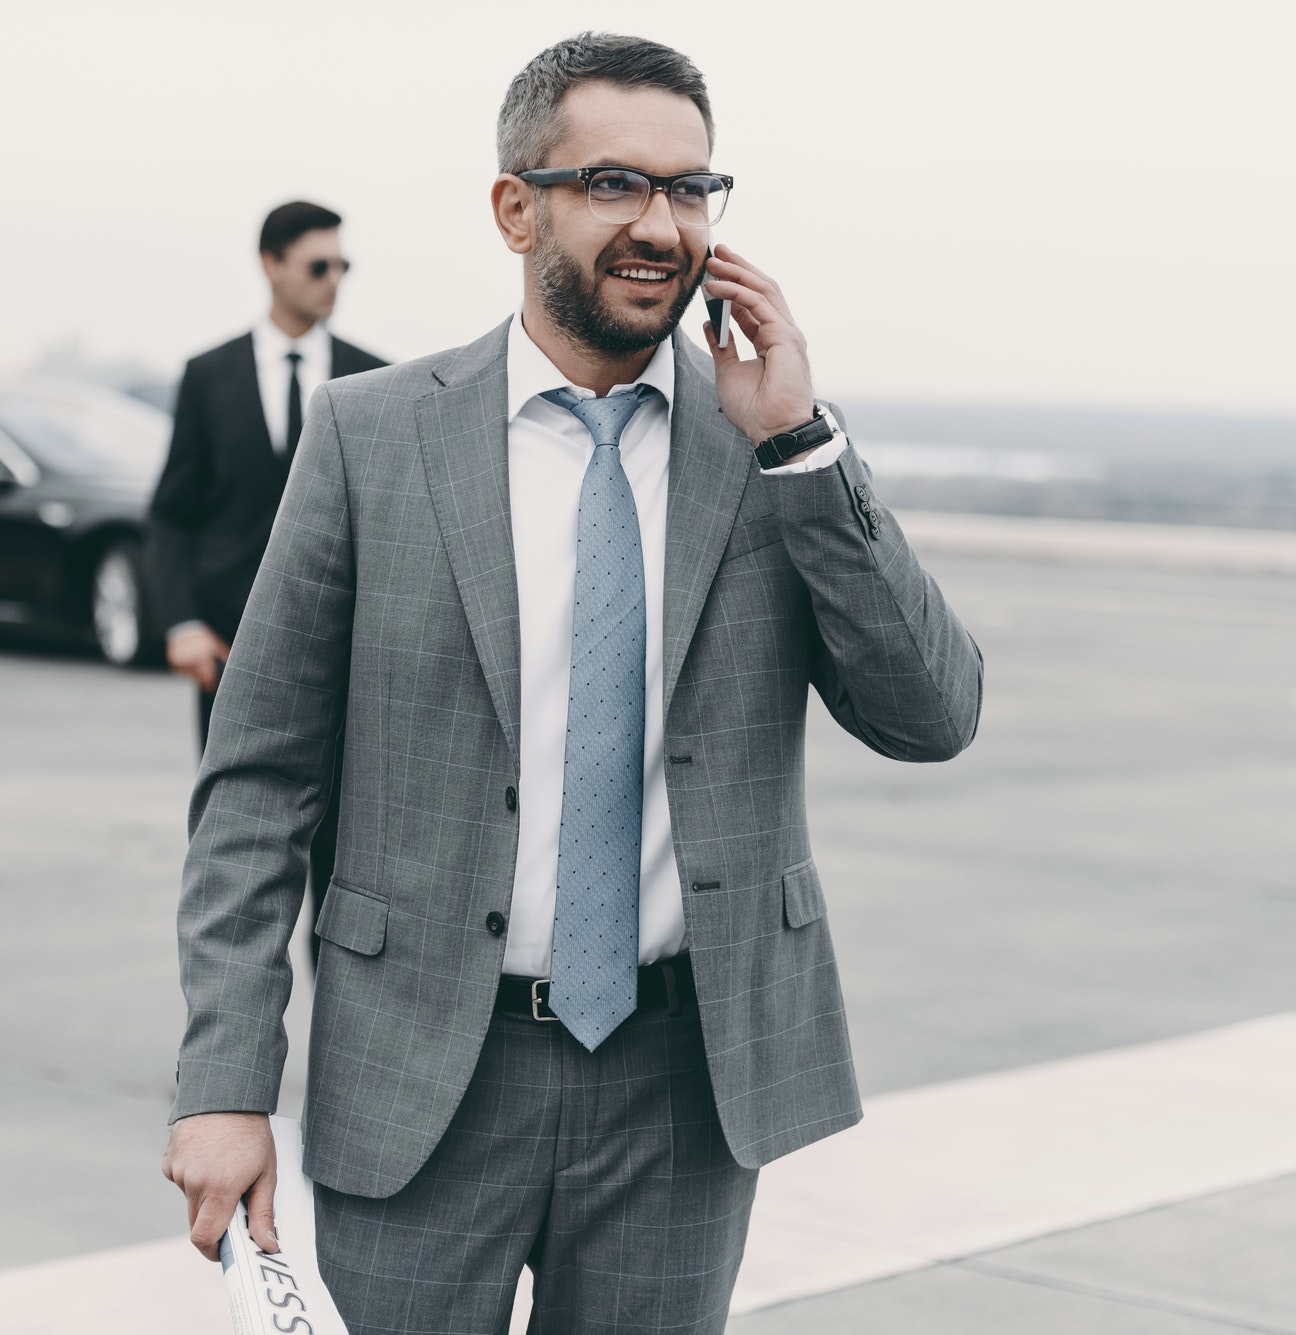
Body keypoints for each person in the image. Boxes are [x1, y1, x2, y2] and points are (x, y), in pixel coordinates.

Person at [161, 33, 981, 1335]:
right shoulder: (371, 438)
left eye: (693, 189)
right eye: (615, 183)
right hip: (422, 1067)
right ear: (515, 206)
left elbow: (932, 714)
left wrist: (807, 448)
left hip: (681, 1081)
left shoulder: (765, 443)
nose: (663, 223)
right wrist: (225, 1076)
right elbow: (257, 779)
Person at [148, 201, 386, 963]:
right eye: (319, 266)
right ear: (272, 265)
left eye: (343, 266)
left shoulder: (374, 377)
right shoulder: (208, 376)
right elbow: (171, 515)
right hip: (227, 656)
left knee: (348, 865)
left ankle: (340, 1063)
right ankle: (225, 1055)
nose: (333, 281)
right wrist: (180, 621)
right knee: (239, 851)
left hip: (349, 661)